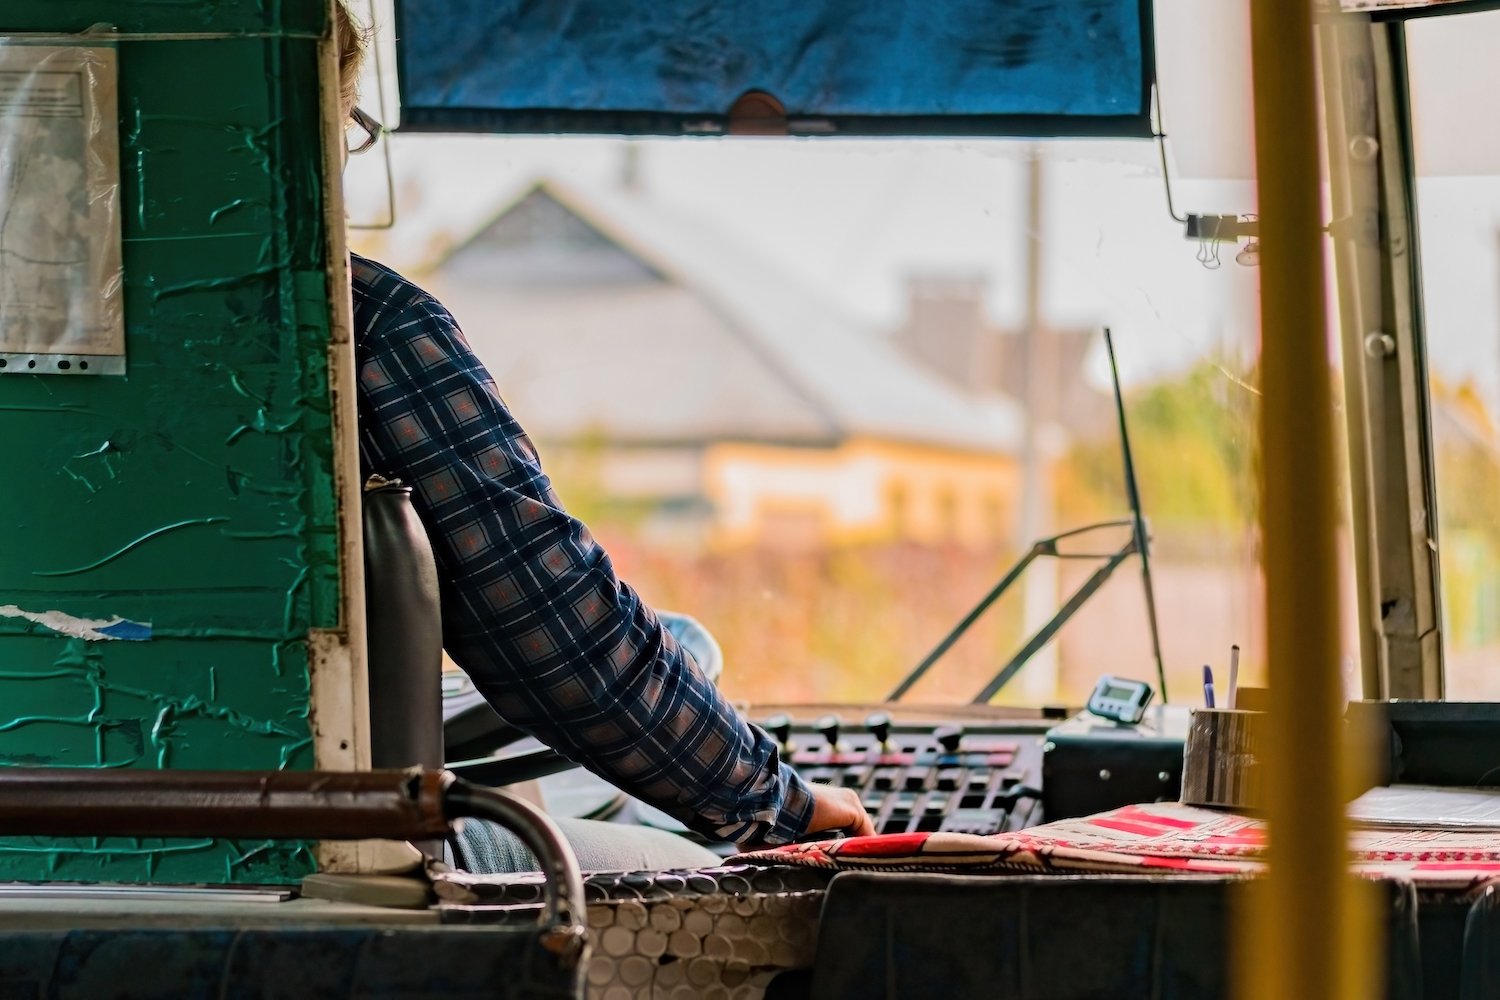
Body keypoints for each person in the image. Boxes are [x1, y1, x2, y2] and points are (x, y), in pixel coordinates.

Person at [333, 4, 872, 871]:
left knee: (682, 646)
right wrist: (782, 805)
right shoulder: (360, 323)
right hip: (325, 845)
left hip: (53, 835)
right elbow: (560, 646)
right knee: (713, 871)